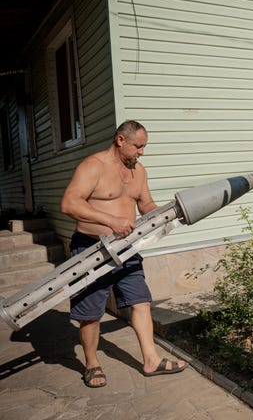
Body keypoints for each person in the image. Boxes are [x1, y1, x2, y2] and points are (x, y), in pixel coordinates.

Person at [61, 120, 188, 388]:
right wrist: (110, 221)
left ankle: (151, 360)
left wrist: (166, 215)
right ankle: (92, 364)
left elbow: (145, 204)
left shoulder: (138, 171)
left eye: (143, 147)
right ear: (121, 140)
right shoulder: (93, 166)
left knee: (140, 302)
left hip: (128, 248)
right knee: (90, 313)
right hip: (91, 248)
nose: (141, 152)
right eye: (138, 146)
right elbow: (69, 203)